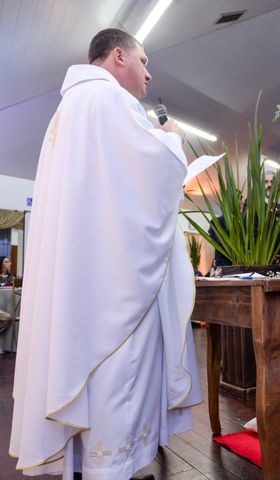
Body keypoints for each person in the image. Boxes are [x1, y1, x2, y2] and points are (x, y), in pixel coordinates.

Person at [10, 29, 202, 480]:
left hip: (82, 275)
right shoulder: (111, 101)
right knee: (119, 371)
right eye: (143, 60)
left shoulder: (67, 109)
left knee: (91, 375)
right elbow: (151, 176)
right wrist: (171, 139)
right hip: (114, 279)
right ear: (119, 56)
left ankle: (93, 465)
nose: (149, 73)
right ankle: (113, 466)